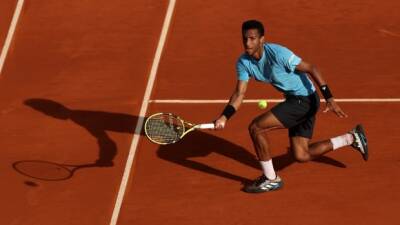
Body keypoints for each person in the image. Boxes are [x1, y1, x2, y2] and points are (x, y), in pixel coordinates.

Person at [213, 20, 368, 193]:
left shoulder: (279, 53)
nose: (248, 43)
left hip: (305, 100)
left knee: (256, 127)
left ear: (262, 39)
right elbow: (239, 94)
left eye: (252, 38)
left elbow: (311, 67)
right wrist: (224, 116)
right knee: (301, 155)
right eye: (245, 39)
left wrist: (329, 98)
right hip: (297, 100)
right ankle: (351, 138)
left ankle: (271, 178)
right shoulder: (243, 62)